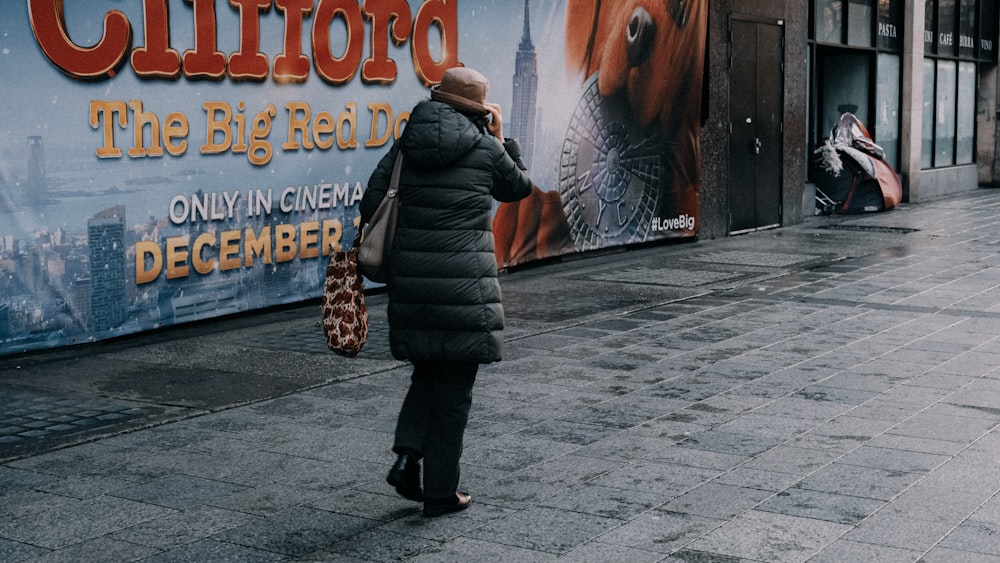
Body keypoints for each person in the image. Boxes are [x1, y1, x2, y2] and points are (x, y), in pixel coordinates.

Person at [359, 66, 534, 517]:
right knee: (454, 392)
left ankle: (406, 455)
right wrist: (502, 136)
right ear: (477, 108)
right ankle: (440, 493)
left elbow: (370, 202)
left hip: (414, 286)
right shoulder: (483, 148)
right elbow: (519, 186)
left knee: (426, 374)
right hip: (464, 290)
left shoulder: (407, 143)